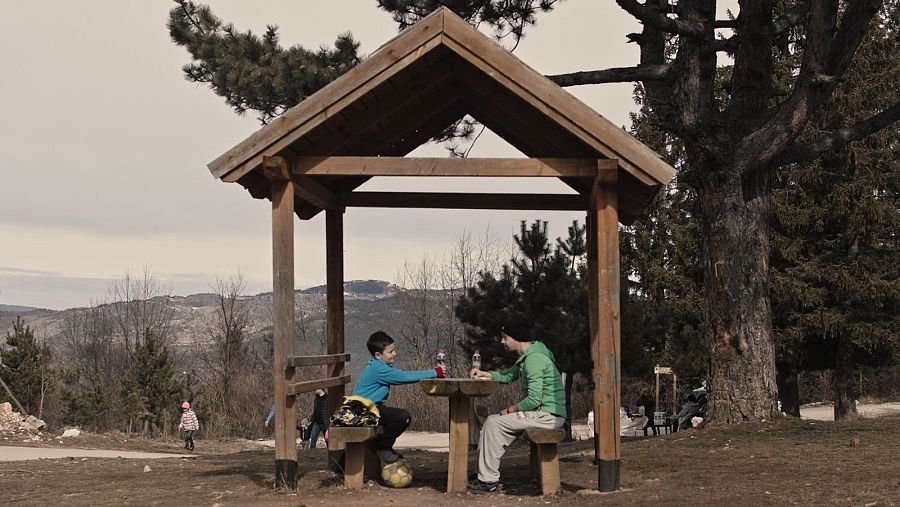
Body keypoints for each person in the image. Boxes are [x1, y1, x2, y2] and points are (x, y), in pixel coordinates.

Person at [467, 325, 566, 494]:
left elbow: (535, 399)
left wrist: (510, 410)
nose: (502, 341)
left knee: (494, 424)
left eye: (505, 337)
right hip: (544, 413)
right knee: (492, 421)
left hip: (547, 415)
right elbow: (508, 376)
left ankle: (487, 481)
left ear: (517, 337)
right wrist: (485, 374)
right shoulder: (528, 357)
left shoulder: (534, 359)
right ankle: (484, 476)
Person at [353, 330, 445, 464]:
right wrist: (435, 372)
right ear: (378, 355)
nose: (394, 353)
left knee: (395, 417)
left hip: (365, 409)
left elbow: (400, 374)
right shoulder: (378, 369)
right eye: (390, 352)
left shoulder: (377, 365)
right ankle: (383, 448)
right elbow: (404, 377)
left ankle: (382, 447)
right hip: (364, 411)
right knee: (403, 417)